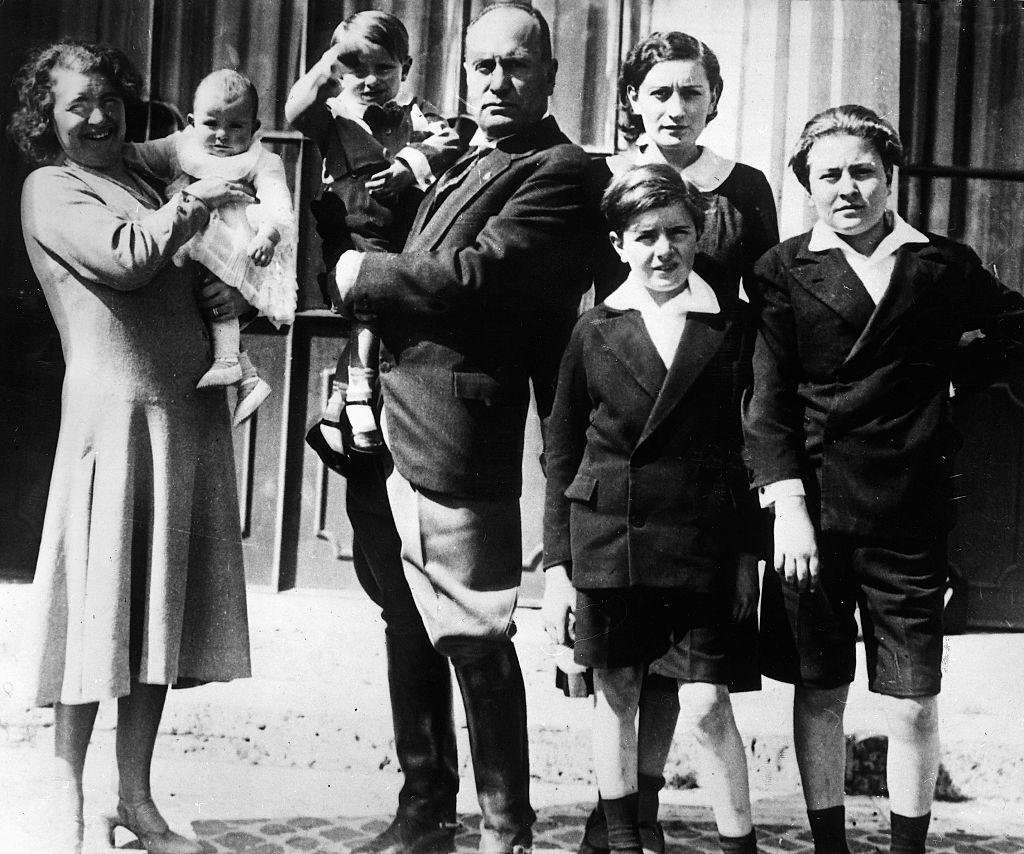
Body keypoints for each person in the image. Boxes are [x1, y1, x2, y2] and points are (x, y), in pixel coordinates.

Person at [330, 4, 612, 852]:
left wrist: (361, 273)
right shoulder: (460, 155)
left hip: (458, 439)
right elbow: (365, 222)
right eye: (482, 66)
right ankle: (424, 810)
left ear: (552, 75)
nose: (496, 81)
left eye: (516, 66)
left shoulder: (562, 171)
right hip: (378, 424)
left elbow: (476, 279)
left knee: (476, 634)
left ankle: (506, 829)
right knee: (403, 621)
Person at [742, 104, 1024, 854]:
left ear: (891, 178)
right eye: (828, 174)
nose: (847, 189)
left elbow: (1015, 328)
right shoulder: (780, 269)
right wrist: (786, 507)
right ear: (805, 184)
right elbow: (766, 398)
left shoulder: (940, 263)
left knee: (911, 703)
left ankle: (908, 848)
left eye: (863, 172)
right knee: (822, 689)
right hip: (816, 514)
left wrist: (951, 374)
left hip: (909, 513)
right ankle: (829, 845)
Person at [10, 41, 254, 854]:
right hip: (111, 423)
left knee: (152, 621)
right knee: (95, 617)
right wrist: (194, 205)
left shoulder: (142, 179)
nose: (99, 115)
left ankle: (136, 800)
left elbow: (187, 259)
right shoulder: (52, 187)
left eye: (110, 99)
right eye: (78, 103)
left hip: (177, 420)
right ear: (46, 118)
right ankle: (67, 798)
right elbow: (127, 258)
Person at [543, 30, 778, 854]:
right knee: (618, 678)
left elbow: (764, 317)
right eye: (659, 92)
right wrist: (558, 558)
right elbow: (564, 426)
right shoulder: (590, 185)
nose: (675, 107)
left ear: (714, 100)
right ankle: (621, 826)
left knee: (689, 684)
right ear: (632, 100)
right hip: (614, 453)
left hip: (700, 441)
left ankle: (643, 816)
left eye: (691, 92)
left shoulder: (740, 190)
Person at [286, 10, 464, 453]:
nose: (370, 81)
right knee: (366, 304)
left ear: (406, 67)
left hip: (401, 231)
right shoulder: (332, 115)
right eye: (356, 70)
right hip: (350, 229)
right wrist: (330, 61)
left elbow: (448, 141)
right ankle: (361, 396)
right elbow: (295, 110)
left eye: (384, 68)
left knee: (384, 311)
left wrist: (407, 167)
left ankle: (337, 407)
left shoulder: (415, 112)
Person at [128, 68, 298, 427]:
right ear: (192, 122)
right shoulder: (181, 147)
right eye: (211, 124)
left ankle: (230, 363)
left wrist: (268, 234)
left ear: (254, 128)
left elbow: (279, 202)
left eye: (236, 126)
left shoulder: (262, 161)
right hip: (190, 240)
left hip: (234, 242)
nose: (222, 135)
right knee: (201, 295)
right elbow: (139, 156)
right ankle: (247, 376)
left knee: (216, 294)